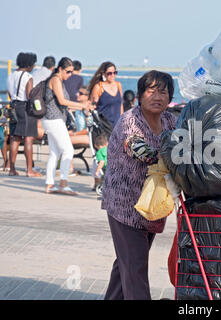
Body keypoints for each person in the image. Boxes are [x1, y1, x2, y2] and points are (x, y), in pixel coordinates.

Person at [102, 70, 177, 300]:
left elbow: (186, 141)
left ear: (170, 97)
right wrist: (173, 158)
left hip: (152, 207)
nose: (157, 96)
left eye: (163, 91)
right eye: (151, 90)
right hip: (125, 206)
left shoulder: (170, 120)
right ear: (140, 96)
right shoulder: (130, 120)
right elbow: (138, 148)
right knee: (135, 268)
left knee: (126, 265)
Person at [42, 57, 93, 195]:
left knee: (54, 153)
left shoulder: (58, 80)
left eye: (72, 71)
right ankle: (63, 185)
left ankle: (50, 184)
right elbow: (62, 101)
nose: (70, 75)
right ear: (60, 69)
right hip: (54, 120)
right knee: (68, 150)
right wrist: (82, 105)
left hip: (50, 119)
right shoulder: (56, 80)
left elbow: (63, 102)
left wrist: (79, 106)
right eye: (68, 71)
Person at [6, 52, 41, 177]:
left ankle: (12, 168)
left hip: (14, 107)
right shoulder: (27, 77)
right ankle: (29, 170)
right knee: (28, 138)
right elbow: (29, 95)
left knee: (15, 138)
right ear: (29, 65)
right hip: (25, 108)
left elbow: (9, 93)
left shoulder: (11, 75)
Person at [88, 61, 123, 128]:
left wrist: (122, 120)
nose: (113, 75)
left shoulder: (118, 85)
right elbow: (91, 106)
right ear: (103, 74)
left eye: (115, 73)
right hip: (103, 126)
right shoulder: (98, 87)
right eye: (109, 73)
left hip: (117, 125)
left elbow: (120, 104)